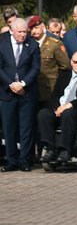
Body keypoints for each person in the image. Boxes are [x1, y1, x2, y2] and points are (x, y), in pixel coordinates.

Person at [0, 18, 40, 172]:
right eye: (20, 32)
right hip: (6, 92)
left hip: (26, 92)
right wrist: (10, 84)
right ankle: (11, 160)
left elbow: (35, 68)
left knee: (26, 128)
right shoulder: (2, 43)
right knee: (8, 127)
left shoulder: (33, 45)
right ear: (12, 31)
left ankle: (24, 160)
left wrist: (22, 84)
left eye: (25, 32)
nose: (23, 35)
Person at [29, 15, 69, 109]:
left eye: (36, 28)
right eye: (31, 29)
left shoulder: (54, 44)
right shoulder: (28, 44)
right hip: (31, 90)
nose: (34, 31)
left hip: (49, 90)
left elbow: (66, 65)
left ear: (43, 27)